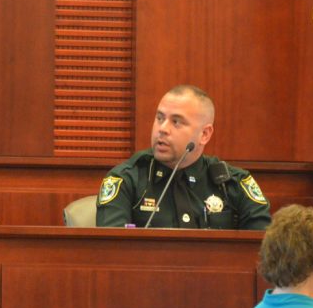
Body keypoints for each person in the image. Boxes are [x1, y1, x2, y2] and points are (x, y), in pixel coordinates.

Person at [96, 84, 270, 229]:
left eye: (176, 122)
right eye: (159, 118)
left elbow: (264, 251)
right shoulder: (127, 180)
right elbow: (112, 254)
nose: (162, 129)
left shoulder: (232, 184)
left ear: (204, 134)